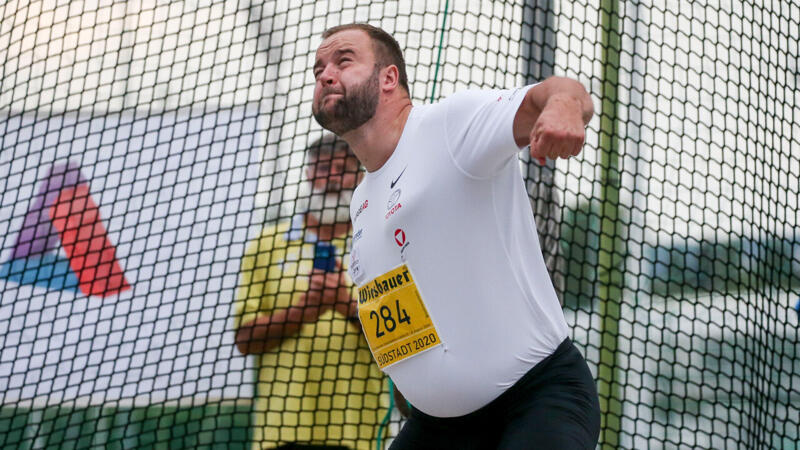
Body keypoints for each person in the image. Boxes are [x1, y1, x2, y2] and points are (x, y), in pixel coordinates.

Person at [310, 23, 601, 449]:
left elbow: (563, 91)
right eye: (318, 68)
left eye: (344, 60)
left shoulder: (449, 126)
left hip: (535, 402)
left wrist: (562, 107)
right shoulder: (362, 202)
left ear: (389, 77)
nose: (325, 74)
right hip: (438, 425)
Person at [234, 134, 388, 450]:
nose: (331, 179)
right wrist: (303, 311)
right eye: (322, 169)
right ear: (307, 174)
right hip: (283, 430)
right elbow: (245, 338)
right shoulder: (267, 244)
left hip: (357, 429)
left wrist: (345, 305)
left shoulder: (381, 242)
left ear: (360, 175)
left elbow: (401, 335)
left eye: (342, 169)